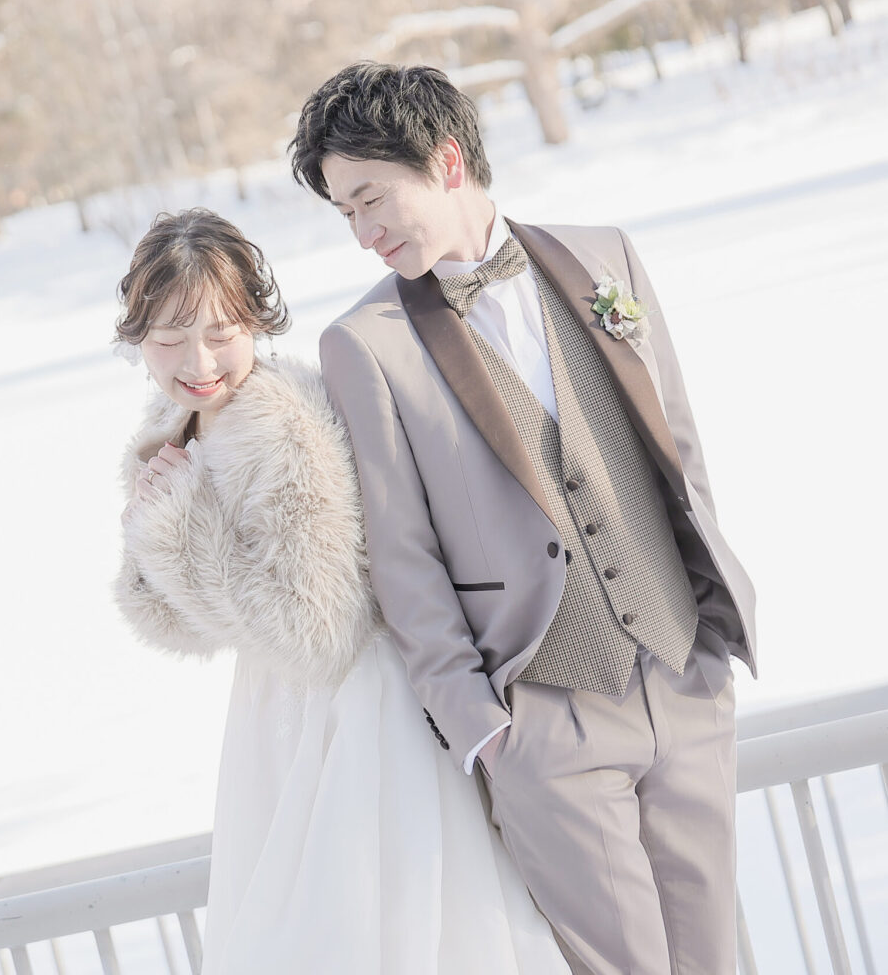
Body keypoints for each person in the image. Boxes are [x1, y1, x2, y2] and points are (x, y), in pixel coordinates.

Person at [291, 63, 757, 975]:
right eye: (345, 213)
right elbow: (405, 561)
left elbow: (679, 451)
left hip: (683, 675)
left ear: (447, 160)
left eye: (371, 200)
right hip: (546, 719)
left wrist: (708, 634)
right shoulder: (365, 345)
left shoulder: (604, 259)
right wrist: (488, 732)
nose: (363, 233)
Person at [112, 208, 567, 974]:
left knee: (365, 928)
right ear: (137, 338)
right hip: (278, 712)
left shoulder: (278, 424)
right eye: (169, 339)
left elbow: (318, 631)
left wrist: (178, 530)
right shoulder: (181, 421)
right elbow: (181, 622)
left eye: (222, 332)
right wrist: (152, 536)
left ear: (256, 322)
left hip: (351, 714)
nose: (199, 360)